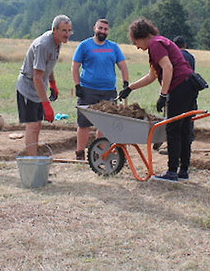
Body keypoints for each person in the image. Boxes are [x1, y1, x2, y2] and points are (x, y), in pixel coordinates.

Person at [118, 18, 198, 182]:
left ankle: (172, 172)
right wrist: (130, 88)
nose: (138, 47)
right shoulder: (160, 42)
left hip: (181, 87)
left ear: (141, 36)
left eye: (136, 42)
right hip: (189, 85)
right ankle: (183, 171)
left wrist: (163, 94)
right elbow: (152, 76)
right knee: (183, 129)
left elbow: (168, 68)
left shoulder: (155, 44)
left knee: (173, 129)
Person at [72, 19, 129, 160]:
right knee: (84, 123)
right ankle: (80, 153)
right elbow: (75, 66)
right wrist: (77, 85)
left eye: (105, 29)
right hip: (88, 90)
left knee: (105, 125)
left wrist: (126, 83)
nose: (102, 31)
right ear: (94, 28)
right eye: (100, 28)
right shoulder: (84, 46)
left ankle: (99, 153)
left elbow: (123, 66)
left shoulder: (113, 47)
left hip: (109, 91)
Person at [16, 15, 72, 156]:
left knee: (38, 125)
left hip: (40, 86)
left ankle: (34, 157)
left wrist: (53, 83)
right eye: (64, 31)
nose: (67, 34)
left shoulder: (57, 43)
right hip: (28, 87)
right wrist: (46, 104)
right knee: (32, 125)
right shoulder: (43, 45)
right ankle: (32, 162)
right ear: (55, 30)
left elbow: (47, 66)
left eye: (69, 31)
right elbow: (37, 77)